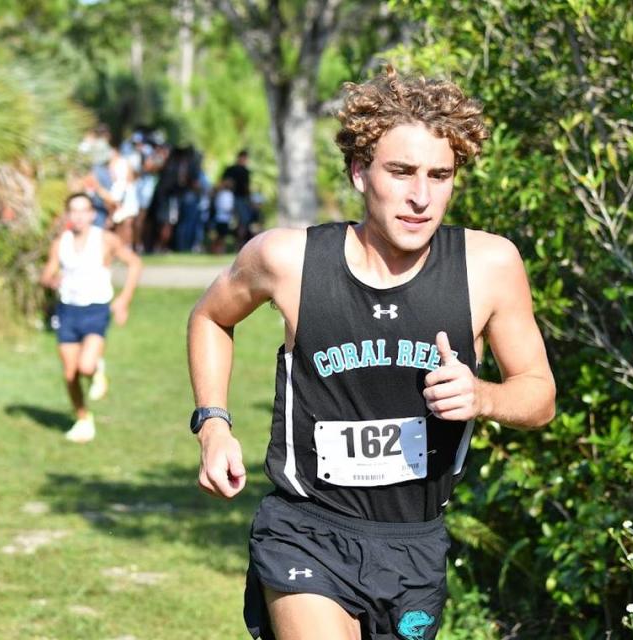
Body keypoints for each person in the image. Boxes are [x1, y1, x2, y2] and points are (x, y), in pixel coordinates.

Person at [187, 66, 556, 640]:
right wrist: (213, 423)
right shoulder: (288, 260)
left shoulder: (488, 266)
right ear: (361, 171)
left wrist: (481, 395)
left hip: (414, 541)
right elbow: (211, 317)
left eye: (440, 175)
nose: (421, 197)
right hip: (307, 527)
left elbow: (539, 396)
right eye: (401, 172)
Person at [40, 193, 142, 443]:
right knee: (69, 373)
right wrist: (53, 280)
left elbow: (135, 263)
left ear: (92, 214)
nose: (78, 216)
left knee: (84, 366)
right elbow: (47, 275)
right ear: (67, 215)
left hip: (95, 309)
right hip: (67, 310)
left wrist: (124, 300)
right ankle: (83, 418)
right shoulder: (60, 243)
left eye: (83, 210)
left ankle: (97, 368)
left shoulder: (105, 239)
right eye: (73, 211)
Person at [222, 149, 253, 247]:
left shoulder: (238, 170)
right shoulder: (237, 170)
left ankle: (238, 243)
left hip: (237, 198)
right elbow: (226, 183)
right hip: (236, 198)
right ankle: (239, 243)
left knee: (240, 221)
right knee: (242, 220)